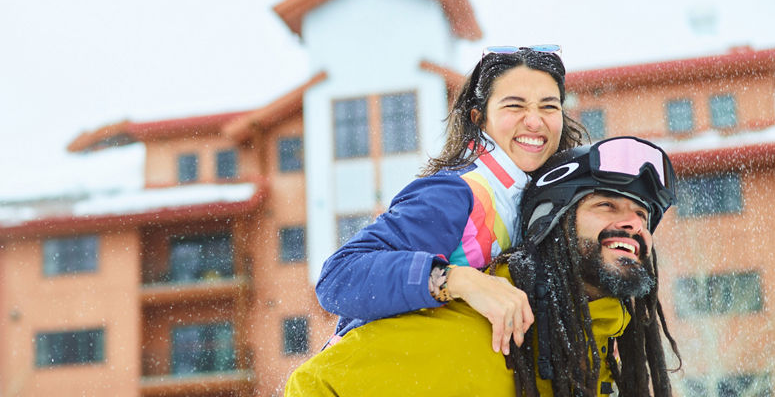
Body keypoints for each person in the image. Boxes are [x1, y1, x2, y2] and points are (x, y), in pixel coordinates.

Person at [286, 136, 682, 397]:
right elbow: (316, 383)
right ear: (551, 222)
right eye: (607, 205)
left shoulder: (605, 356)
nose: (633, 224)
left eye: (642, 216)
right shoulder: (469, 332)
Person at [317, 45, 586, 355]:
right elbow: (338, 277)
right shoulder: (456, 191)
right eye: (515, 106)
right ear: (479, 118)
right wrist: (458, 280)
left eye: (549, 106)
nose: (535, 122)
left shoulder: (539, 200)